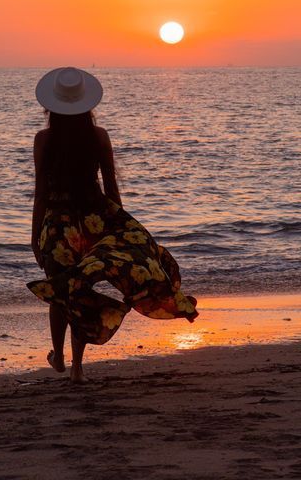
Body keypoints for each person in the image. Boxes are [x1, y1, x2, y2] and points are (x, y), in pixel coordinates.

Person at [28, 67, 198, 383]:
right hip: (94, 223)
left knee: (61, 289)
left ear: (50, 106)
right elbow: (111, 189)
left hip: (56, 228)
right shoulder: (98, 136)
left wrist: (34, 236)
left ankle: (59, 356)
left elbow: (40, 194)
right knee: (81, 288)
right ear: (87, 105)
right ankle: (78, 368)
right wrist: (120, 228)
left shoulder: (43, 140)